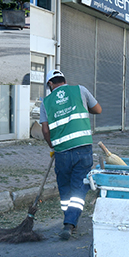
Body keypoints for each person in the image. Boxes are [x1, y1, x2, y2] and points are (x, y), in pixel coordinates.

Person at [40, 69, 102, 240]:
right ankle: (70, 222)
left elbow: (45, 130)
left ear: (50, 84)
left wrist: (52, 145)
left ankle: (68, 220)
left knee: (65, 187)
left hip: (61, 151)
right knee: (79, 186)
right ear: (63, 80)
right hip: (83, 147)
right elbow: (98, 110)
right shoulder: (80, 90)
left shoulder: (45, 102)